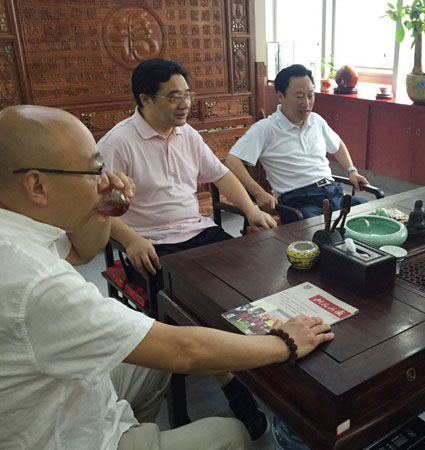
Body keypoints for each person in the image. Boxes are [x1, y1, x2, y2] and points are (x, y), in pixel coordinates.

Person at [0, 104, 334, 450]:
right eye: (94, 170)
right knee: (228, 434)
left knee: (228, 284)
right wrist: (283, 343)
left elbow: (82, 251)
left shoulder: (19, 232)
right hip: (63, 433)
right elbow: (181, 351)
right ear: (37, 186)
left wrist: (99, 204)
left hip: (192, 235)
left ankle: (141, 429)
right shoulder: (36, 283)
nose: (103, 179)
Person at [98, 58, 279, 440]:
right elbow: (97, 207)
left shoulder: (188, 135)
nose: (185, 104)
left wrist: (251, 210)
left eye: (187, 94)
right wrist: (131, 240)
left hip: (198, 232)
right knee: (191, 306)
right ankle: (232, 383)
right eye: (173, 96)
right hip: (151, 245)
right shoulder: (117, 143)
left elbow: (222, 175)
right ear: (145, 99)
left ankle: (262, 360)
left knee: (253, 276)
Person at [225, 64, 370, 224]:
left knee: (372, 215)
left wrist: (351, 171)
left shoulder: (316, 121)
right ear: (280, 96)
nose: (306, 103)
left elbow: (337, 145)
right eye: (299, 96)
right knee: (321, 231)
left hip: (333, 193)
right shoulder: (266, 129)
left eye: (310, 95)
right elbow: (232, 161)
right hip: (300, 203)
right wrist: (258, 192)